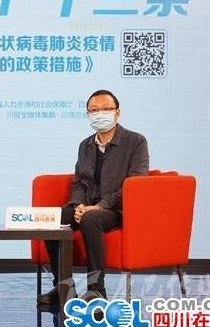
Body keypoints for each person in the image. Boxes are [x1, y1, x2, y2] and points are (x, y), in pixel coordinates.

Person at [37, 90, 149, 306]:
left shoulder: (135, 141)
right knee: (54, 218)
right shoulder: (85, 145)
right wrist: (78, 205)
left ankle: (96, 290)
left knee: (90, 218)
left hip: (117, 209)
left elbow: (134, 184)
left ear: (117, 113)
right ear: (88, 114)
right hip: (87, 207)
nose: (100, 114)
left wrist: (99, 206)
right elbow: (79, 182)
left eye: (106, 109)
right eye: (94, 111)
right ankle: (64, 288)